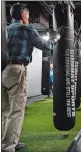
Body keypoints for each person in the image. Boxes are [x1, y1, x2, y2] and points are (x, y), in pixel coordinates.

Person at [1, 3, 57, 152]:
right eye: (27, 15)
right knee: (16, 110)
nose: (28, 18)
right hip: (17, 70)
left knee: (5, 111)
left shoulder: (5, 29)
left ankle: (10, 141)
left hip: (3, 71)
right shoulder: (27, 29)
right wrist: (54, 40)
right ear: (23, 16)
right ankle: (8, 147)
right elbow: (45, 46)